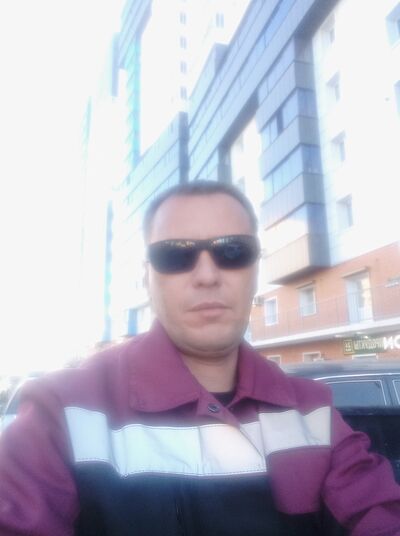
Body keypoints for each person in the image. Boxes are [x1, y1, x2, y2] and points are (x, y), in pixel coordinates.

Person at [0, 180, 400, 536]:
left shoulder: (312, 408)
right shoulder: (61, 410)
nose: (207, 275)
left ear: (255, 271)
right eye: (174, 256)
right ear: (147, 278)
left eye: (233, 251)